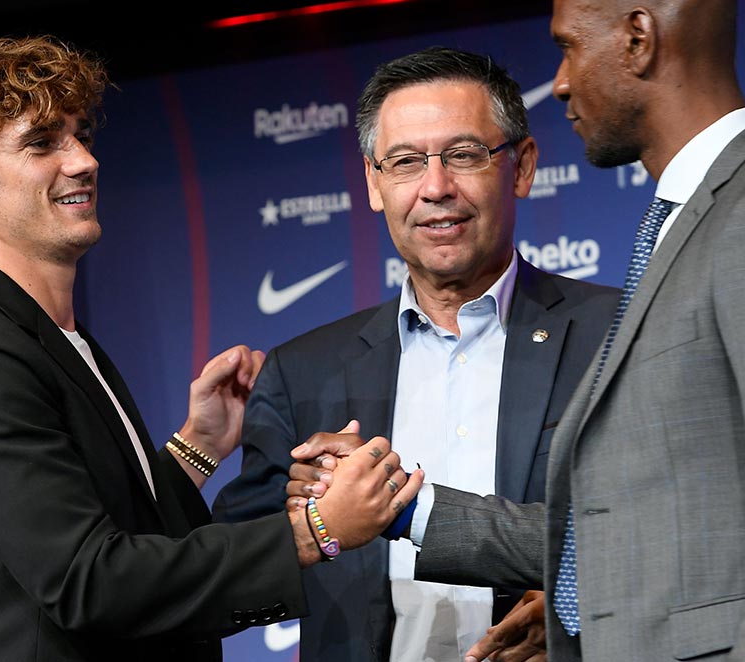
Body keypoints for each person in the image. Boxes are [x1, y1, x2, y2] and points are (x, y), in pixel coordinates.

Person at [289, 0, 745, 659]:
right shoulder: (692, 222)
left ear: (639, 38)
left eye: (569, 46)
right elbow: (615, 528)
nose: (564, 81)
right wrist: (401, 506)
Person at [0, 34, 421, 662]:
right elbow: (91, 582)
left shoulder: (52, 339)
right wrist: (314, 530)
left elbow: (110, 529)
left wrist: (200, 446)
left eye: (79, 135)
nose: (83, 161)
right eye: (42, 142)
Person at [212, 46, 619, 661]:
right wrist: (310, 529)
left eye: (463, 155)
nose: (435, 187)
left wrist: (575, 609)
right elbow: (228, 582)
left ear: (522, 167)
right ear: (375, 185)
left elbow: (668, 531)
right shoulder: (303, 373)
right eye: (405, 162)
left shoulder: (616, 334)